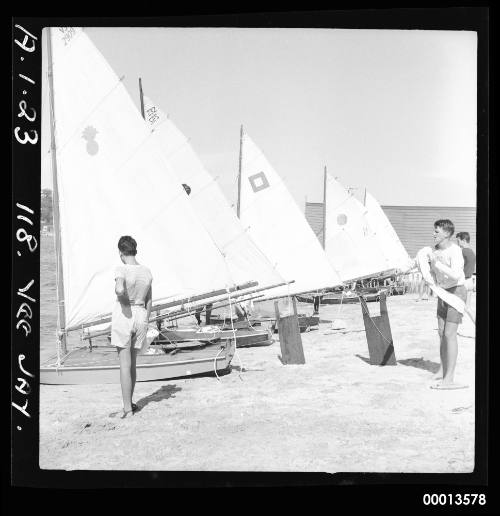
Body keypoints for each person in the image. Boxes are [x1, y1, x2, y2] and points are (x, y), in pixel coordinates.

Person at [111, 236, 153, 418]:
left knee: (124, 364)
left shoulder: (121, 268)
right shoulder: (146, 271)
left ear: (121, 252)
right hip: (141, 314)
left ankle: (127, 408)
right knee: (133, 364)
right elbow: (150, 299)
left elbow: (120, 289)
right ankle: (131, 403)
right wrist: (145, 317)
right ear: (135, 250)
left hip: (125, 314)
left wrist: (124, 300)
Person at [428, 220, 467, 389]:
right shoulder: (435, 251)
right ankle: (442, 369)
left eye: (436, 231)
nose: (433, 234)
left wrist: (437, 264)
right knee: (442, 332)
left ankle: (449, 379)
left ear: (446, 233)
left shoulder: (456, 250)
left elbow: (457, 275)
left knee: (450, 334)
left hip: (456, 292)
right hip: (442, 293)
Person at [456, 231, 476, 308]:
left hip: (463, 282)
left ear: (463, 240)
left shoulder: (462, 251)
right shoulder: (471, 251)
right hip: (470, 281)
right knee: (467, 308)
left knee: (458, 307)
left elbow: (458, 266)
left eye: (458, 241)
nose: (457, 243)